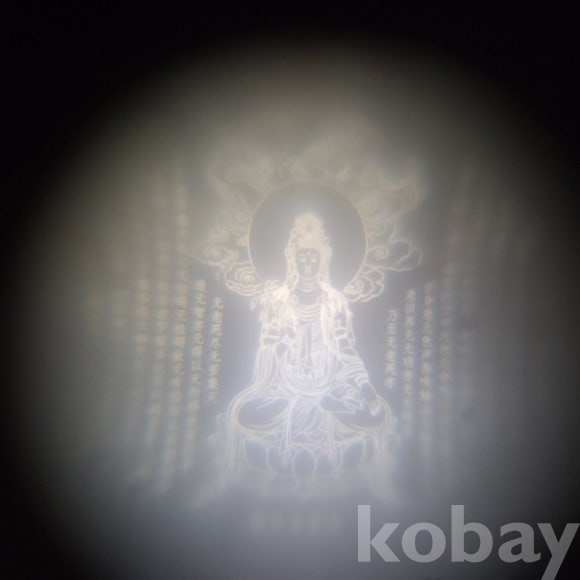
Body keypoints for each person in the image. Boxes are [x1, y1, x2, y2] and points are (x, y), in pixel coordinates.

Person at [217, 213, 395, 494]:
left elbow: (345, 347)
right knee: (244, 413)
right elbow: (267, 351)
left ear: (324, 258)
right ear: (292, 259)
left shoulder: (334, 301)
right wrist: (279, 345)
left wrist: (363, 385)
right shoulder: (278, 301)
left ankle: (334, 411)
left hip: (329, 387)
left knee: (376, 414)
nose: (309, 263)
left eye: (314, 257)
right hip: (286, 390)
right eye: (303, 257)